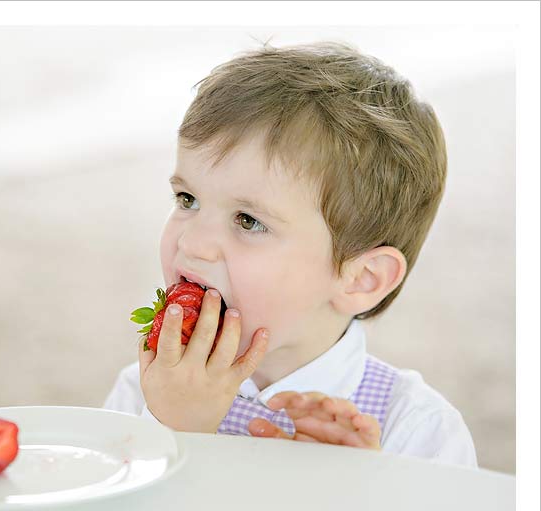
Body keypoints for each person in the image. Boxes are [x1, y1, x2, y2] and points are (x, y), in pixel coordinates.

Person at [103, 41, 477, 468]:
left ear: (362, 279)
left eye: (248, 221)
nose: (191, 243)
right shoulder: (145, 392)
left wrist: (368, 498)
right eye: (187, 199)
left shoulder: (417, 432)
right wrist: (170, 433)